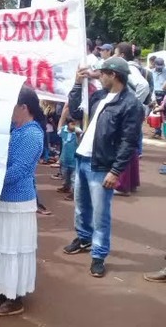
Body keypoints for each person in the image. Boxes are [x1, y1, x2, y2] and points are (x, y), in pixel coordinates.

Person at [63, 57, 143, 278]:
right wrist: (77, 85)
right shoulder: (99, 96)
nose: (99, 77)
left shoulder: (130, 104)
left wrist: (116, 171)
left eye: (102, 74)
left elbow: (129, 142)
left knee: (100, 214)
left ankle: (98, 255)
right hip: (82, 158)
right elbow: (77, 113)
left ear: (113, 75)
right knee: (81, 206)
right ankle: (84, 238)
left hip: (101, 165)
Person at [0, 86, 44, 316]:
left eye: (12, 106)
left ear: (24, 107)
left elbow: (20, 170)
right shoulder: (16, 129)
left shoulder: (32, 134)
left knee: (11, 249)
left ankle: (14, 298)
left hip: (16, 201)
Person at [56, 117, 82, 200]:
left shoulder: (77, 133)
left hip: (74, 160)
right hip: (64, 159)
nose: (74, 126)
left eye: (75, 124)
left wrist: (76, 128)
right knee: (65, 175)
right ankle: (66, 187)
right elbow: (59, 128)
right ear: (67, 124)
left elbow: (79, 131)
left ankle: (74, 193)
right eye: (72, 124)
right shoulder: (63, 130)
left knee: (73, 178)